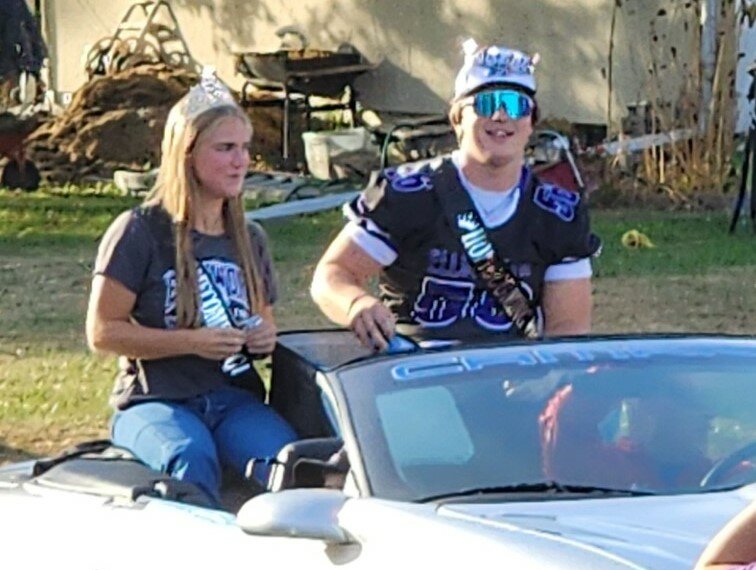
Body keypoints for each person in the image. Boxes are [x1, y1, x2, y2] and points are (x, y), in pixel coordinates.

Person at [85, 69, 297, 505]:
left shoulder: (248, 237)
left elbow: (266, 321)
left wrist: (262, 337)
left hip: (232, 398)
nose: (241, 161)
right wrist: (190, 342)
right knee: (190, 457)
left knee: (290, 464)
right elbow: (103, 332)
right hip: (154, 400)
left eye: (244, 148)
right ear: (187, 154)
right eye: (225, 149)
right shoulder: (140, 231)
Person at [311, 39, 601, 350]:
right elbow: (332, 274)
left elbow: (567, 333)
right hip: (413, 372)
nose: (502, 116)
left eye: (516, 105)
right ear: (456, 118)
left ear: (531, 123)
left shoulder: (558, 214)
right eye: (486, 103)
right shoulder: (406, 194)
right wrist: (357, 305)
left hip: (509, 377)